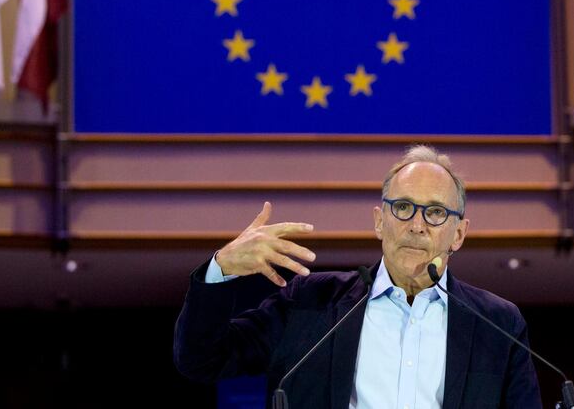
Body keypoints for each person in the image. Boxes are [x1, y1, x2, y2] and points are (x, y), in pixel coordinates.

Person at [174, 145, 542, 408]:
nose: (416, 225)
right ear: (379, 222)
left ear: (458, 234)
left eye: (434, 212)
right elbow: (201, 360)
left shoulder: (497, 324)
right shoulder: (311, 305)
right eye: (402, 208)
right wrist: (220, 268)